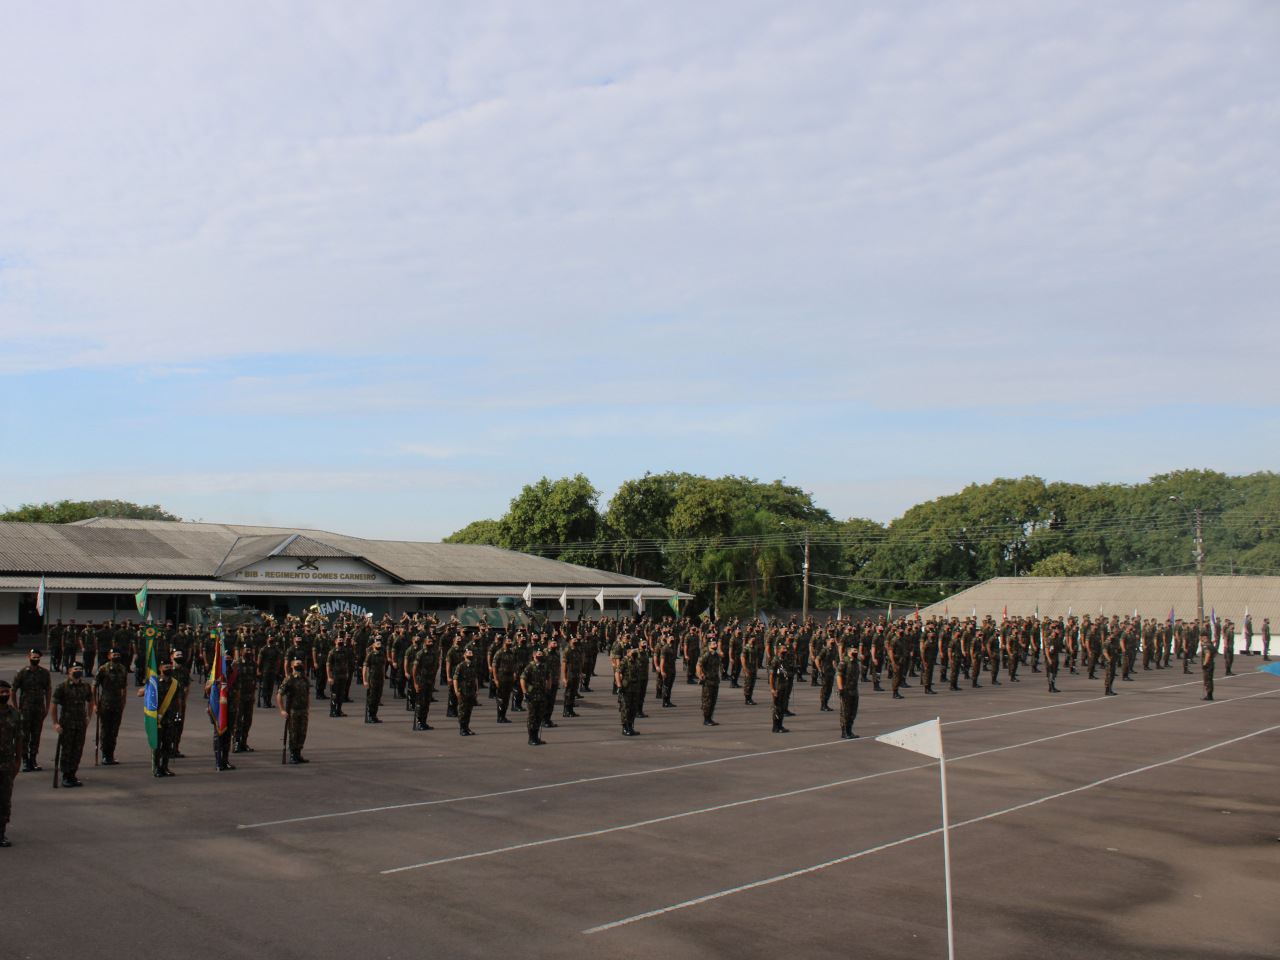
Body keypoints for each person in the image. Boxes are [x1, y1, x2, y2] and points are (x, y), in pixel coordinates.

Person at [50, 661, 94, 787]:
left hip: (80, 723)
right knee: (67, 751)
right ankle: (65, 775)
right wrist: (55, 723)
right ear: (69, 671)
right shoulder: (62, 686)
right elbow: (53, 705)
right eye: (75, 669)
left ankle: (72, 774)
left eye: (80, 668)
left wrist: (89, 716)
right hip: (67, 724)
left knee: (78, 750)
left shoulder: (85, 685)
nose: (78, 671)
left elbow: (90, 701)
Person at [11, 651, 51, 772]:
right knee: (24, 734)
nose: (36, 660)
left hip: (39, 708)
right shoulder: (22, 673)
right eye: (34, 658)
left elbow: (48, 690)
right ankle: (25, 759)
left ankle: (33, 758)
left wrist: (47, 707)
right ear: (29, 658)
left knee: (36, 734)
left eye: (38, 658)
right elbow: (13, 690)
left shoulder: (44, 673)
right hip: (25, 708)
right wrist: (16, 708)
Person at [93, 650, 128, 764]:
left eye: (118, 655)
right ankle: (104, 754)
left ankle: (111, 754)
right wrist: (94, 704)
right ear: (109, 656)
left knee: (114, 731)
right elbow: (94, 686)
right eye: (114, 655)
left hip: (117, 703)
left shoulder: (122, 669)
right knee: (105, 730)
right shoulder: (103, 669)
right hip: (105, 704)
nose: (116, 657)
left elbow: (124, 687)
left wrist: (124, 701)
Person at [0, 679, 22, 845]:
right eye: (1, 692)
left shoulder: (14, 714)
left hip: (7, 763)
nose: (4, 695)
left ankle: (1, 833)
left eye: (6, 692)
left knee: (5, 800)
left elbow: (19, 739)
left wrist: (18, 761)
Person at [277, 659, 311, 763]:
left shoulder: (305, 679)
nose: (299, 665)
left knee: (302, 733)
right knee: (293, 733)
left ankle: (298, 753)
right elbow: (279, 694)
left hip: (303, 710)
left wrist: (307, 709)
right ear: (292, 666)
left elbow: (307, 695)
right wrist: (282, 710)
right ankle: (292, 754)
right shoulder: (289, 680)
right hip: (293, 711)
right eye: (297, 664)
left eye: (301, 664)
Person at [520, 648, 551, 745]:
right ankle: (531, 737)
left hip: (541, 694)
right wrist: (525, 692)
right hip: (533, 695)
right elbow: (522, 679)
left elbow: (548, 678)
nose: (540, 656)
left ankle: (536, 737)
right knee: (532, 716)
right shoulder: (530, 667)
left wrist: (548, 689)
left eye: (541, 654)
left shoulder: (544, 667)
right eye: (538, 654)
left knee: (539, 715)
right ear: (534, 655)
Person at [835, 644, 860, 739]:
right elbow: (839, 675)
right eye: (854, 650)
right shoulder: (844, 662)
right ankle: (844, 732)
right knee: (846, 712)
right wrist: (841, 689)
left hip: (854, 690)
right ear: (849, 651)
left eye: (856, 650)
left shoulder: (855, 662)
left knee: (853, 712)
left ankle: (850, 730)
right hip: (846, 691)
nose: (856, 652)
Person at [453, 649, 478, 736]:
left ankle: (467, 727)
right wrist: (456, 690)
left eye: (471, 653)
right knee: (462, 710)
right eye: (468, 653)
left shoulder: (473, 665)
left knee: (469, 710)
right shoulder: (461, 666)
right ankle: (462, 728)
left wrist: (477, 689)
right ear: (464, 655)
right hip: (463, 691)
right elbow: (455, 679)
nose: (470, 655)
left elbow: (475, 678)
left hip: (471, 691)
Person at [697, 639, 722, 726]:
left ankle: (710, 718)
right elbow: (699, 664)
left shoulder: (717, 656)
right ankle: (706, 718)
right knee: (707, 700)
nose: (715, 645)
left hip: (715, 680)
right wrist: (700, 676)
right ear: (709, 646)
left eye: (716, 644)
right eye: (713, 644)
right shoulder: (707, 655)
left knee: (713, 700)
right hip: (708, 680)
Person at [364, 639, 386, 723]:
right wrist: (365, 680)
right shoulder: (370, 655)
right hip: (372, 678)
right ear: (373, 645)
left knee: (378, 698)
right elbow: (365, 667)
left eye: (380, 643)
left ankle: (374, 715)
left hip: (380, 678)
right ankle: (370, 715)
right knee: (372, 698)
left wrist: (383, 677)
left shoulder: (382, 654)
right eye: (377, 643)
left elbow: (383, 666)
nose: (379, 645)